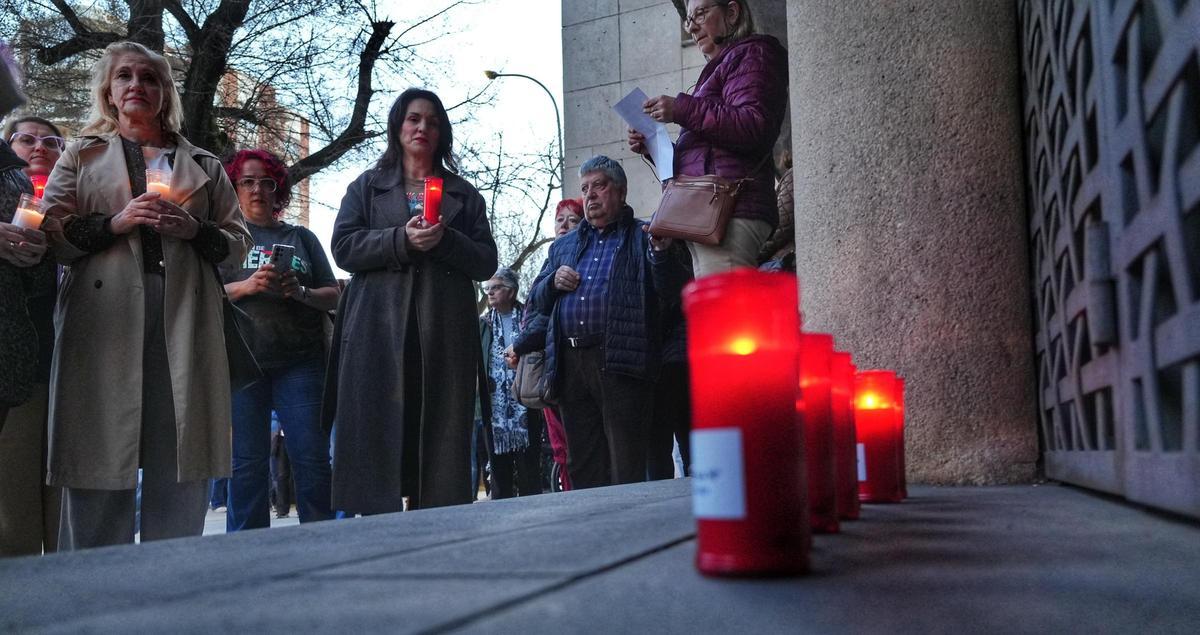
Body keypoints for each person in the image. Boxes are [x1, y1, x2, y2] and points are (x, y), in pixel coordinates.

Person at [41, 41, 252, 549]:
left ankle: (173, 587)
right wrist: (116, 222)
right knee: (98, 452)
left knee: (179, 453)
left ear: (164, 93)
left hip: (185, 318)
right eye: (125, 77)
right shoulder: (80, 155)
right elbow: (51, 232)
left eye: (150, 78)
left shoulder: (203, 163)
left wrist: (190, 227)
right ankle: (91, 590)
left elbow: (237, 245)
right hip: (103, 318)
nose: (137, 85)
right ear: (109, 94)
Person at [324, 88, 498, 513]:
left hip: (443, 330)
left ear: (443, 133)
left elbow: (486, 260)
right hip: (376, 330)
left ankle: (438, 524)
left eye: (433, 121)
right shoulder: (366, 187)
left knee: (439, 437)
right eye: (414, 119)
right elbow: (343, 247)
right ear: (398, 127)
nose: (423, 127)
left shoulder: (463, 194)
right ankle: (376, 524)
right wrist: (400, 239)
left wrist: (445, 240)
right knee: (376, 432)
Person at [528, 156, 687, 489]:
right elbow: (536, 299)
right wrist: (552, 281)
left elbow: (672, 291)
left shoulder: (644, 235)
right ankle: (591, 535)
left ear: (622, 191)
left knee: (627, 462)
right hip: (571, 365)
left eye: (599, 186)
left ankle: (631, 535)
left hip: (621, 360)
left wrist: (660, 254)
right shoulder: (564, 246)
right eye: (584, 189)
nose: (590, 196)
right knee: (583, 463)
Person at [220, 148, 338, 531]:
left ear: (279, 190)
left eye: (266, 182)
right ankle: (247, 551)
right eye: (247, 181)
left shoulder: (300, 237)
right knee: (246, 465)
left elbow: (333, 293)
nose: (257, 189)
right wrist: (247, 285)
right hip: (242, 361)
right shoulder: (224, 237)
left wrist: (299, 292)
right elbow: (204, 293)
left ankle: (321, 542)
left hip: (300, 362)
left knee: (311, 458)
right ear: (234, 187)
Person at [629, 0, 788, 278]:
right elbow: (707, 154)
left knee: (727, 314)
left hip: (730, 210)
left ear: (732, 11)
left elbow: (753, 126)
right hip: (714, 211)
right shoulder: (724, 66)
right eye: (688, 19)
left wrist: (681, 109)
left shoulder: (754, 53)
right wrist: (653, 147)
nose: (691, 26)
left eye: (700, 13)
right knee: (722, 313)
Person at [1, 47, 62, 556]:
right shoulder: (6, 189)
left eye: (51, 140)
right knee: (14, 481)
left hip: (70, 357)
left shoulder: (77, 201)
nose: (39, 146)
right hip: (19, 355)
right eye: (27, 138)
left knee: (62, 485)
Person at [510, 198, 583, 491]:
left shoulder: (576, 258)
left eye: (572, 220)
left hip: (564, 363)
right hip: (548, 364)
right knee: (560, 445)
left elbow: (543, 320)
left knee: (572, 445)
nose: (564, 226)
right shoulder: (551, 259)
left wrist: (519, 345)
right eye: (559, 220)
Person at [479, 267, 542, 499]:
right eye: (488, 289)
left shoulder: (530, 318)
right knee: (498, 473)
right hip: (493, 410)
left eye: (495, 288)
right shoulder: (482, 324)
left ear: (511, 291)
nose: (490, 293)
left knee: (529, 471)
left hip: (527, 402)